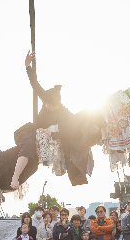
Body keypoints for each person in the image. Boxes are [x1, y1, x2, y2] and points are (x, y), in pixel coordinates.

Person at [20, 50, 90, 187]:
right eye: (45, 104)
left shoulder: (63, 111)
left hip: (53, 134)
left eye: (50, 105)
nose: (47, 106)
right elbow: (34, 84)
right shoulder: (45, 96)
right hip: (38, 129)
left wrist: (54, 134)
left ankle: (76, 176)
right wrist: (27, 65)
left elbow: (73, 124)